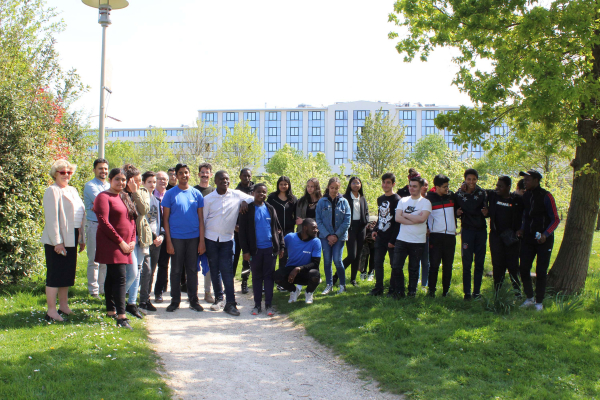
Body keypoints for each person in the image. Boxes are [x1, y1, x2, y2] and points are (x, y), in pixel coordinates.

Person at [41, 159, 86, 322]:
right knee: (55, 274)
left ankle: (64, 306)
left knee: (67, 274)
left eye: (69, 172)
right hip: (58, 239)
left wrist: (81, 238)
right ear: (55, 174)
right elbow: (52, 219)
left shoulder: (73, 190)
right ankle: (51, 311)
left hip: (72, 236)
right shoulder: (52, 191)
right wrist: (57, 242)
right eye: (62, 172)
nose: (66, 175)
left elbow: (79, 215)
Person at [203, 170, 253, 316]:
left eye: (227, 179)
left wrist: (244, 201)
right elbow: (204, 220)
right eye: (221, 179)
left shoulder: (236, 194)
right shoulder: (208, 199)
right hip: (211, 239)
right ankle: (219, 298)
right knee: (214, 269)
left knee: (227, 271)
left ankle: (230, 303)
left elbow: (253, 198)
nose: (224, 181)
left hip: (227, 240)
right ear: (215, 182)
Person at [94, 167, 137, 330]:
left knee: (112, 278)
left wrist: (132, 240)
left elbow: (132, 220)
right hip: (111, 244)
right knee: (120, 278)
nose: (121, 182)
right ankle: (122, 316)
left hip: (126, 244)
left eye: (123, 179)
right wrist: (121, 242)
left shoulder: (125, 196)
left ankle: (111, 310)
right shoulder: (103, 197)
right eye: (117, 179)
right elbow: (104, 223)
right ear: (110, 180)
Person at [162, 163, 206, 312]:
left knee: (192, 270)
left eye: (186, 172)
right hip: (176, 238)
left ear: (189, 174)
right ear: (176, 175)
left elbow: (201, 219)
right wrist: (168, 241)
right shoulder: (170, 194)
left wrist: (201, 241)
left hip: (193, 238)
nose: (183, 175)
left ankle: (193, 300)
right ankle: (175, 301)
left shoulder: (197, 194)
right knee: (175, 270)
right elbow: (165, 219)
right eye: (180, 173)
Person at [238, 183, 284, 316]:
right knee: (257, 277)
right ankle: (257, 305)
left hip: (269, 250)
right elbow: (242, 233)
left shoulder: (270, 208)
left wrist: (281, 246)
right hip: (254, 251)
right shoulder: (247, 210)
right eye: (259, 192)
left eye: (264, 192)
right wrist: (245, 251)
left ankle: (268, 305)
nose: (261, 195)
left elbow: (278, 230)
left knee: (269, 277)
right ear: (253, 193)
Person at [517, 169, 560, 311]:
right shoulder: (526, 195)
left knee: (541, 271)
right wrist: (522, 228)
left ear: (536, 180)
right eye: (524, 180)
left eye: (528, 179)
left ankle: (539, 302)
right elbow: (524, 215)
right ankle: (529, 298)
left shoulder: (547, 196)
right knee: (523, 268)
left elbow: (555, 219)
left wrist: (545, 234)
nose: (525, 181)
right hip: (528, 239)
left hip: (544, 240)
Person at [390, 176, 432, 297]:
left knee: (413, 269)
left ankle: (412, 292)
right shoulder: (403, 201)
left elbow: (422, 218)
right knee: (396, 267)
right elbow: (398, 218)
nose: (412, 188)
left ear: (420, 187)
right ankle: (399, 291)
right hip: (402, 239)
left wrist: (405, 215)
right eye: (410, 186)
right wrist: (415, 219)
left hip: (418, 240)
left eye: (415, 186)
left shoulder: (426, 202)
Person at [122, 164, 151, 319]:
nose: (139, 183)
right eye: (137, 181)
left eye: (140, 181)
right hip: (126, 238)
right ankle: (116, 298)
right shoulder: (120, 193)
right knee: (131, 272)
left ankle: (132, 303)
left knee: (137, 270)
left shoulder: (142, 192)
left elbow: (144, 209)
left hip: (140, 236)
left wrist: (135, 193)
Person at [487, 176, 524, 295]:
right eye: (497, 185)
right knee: (497, 265)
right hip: (496, 236)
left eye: (500, 186)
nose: (497, 188)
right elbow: (478, 190)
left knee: (513, 265)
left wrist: (520, 229)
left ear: (508, 187)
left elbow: (525, 216)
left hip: (512, 238)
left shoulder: (517, 200)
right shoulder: (493, 196)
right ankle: (498, 293)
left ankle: (517, 292)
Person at [456, 168, 488, 300]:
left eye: (474, 179)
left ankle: (477, 292)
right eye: (469, 179)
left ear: (477, 179)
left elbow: (482, 209)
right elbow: (458, 209)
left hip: (480, 230)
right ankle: (467, 293)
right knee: (467, 262)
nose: (471, 182)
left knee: (479, 262)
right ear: (465, 179)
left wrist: (487, 212)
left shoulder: (482, 193)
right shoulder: (459, 194)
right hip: (467, 230)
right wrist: (457, 213)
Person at [315, 177, 351, 295]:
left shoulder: (344, 202)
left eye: (336, 188)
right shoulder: (322, 201)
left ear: (339, 188)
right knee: (326, 261)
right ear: (328, 187)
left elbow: (347, 220)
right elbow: (318, 220)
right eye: (332, 187)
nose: (334, 190)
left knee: (337, 260)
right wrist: (328, 235)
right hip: (325, 237)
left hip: (339, 237)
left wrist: (335, 235)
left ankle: (342, 285)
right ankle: (329, 285)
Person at [273, 219, 322, 305]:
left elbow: (315, 263)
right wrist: (280, 250)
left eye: (316, 228)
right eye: (313, 228)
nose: (316, 230)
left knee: (315, 275)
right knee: (277, 276)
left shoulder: (316, 241)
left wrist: (299, 268)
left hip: (307, 271)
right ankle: (294, 291)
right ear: (305, 228)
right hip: (291, 271)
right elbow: (280, 244)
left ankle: (309, 293)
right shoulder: (290, 237)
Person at [368, 173, 401, 296]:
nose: (385, 185)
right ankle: (378, 288)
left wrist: (393, 240)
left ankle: (392, 289)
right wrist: (375, 229)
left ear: (393, 184)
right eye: (383, 182)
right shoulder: (380, 199)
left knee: (394, 265)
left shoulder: (397, 199)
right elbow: (380, 217)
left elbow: (397, 222)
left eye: (388, 182)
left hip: (392, 238)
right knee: (378, 263)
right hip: (380, 237)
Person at [333, 177, 369, 287]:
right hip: (350, 228)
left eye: (358, 183)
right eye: (353, 183)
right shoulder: (345, 198)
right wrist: (346, 229)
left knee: (358, 255)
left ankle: (353, 279)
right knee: (352, 255)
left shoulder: (362, 198)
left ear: (360, 185)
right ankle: (336, 276)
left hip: (361, 228)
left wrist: (366, 222)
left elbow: (366, 212)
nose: (356, 185)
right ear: (350, 185)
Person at [425, 174, 458, 297]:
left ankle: (446, 291)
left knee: (448, 266)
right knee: (434, 264)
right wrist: (427, 228)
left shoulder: (452, 197)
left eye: (448, 186)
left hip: (450, 236)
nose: (447, 189)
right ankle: (431, 291)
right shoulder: (429, 199)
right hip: (436, 236)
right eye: (444, 187)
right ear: (437, 187)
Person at [83, 158, 110, 299]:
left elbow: (107, 203)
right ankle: (93, 291)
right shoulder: (90, 185)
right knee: (93, 259)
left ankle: (102, 288)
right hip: (94, 224)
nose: (103, 171)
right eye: (100, 168)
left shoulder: (109, 185)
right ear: (94, 170)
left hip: (107, 226)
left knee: (105, 259)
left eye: (105, 168)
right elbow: (101, 202)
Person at [139, 171, 163, 312]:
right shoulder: (140, 199)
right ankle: (141, 300)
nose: (152, 185)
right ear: (143, 183)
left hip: (156, 241)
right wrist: (153, 236)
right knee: (146, 270)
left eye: (154, 182)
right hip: (146, 240)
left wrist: (161, 236)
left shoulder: (156, 200)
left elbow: (159, 221)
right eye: (149, 182)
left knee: (152, 270)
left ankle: (147, 298)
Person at [267, 176, 297, 288]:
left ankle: (281, 281)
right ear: (278, 185)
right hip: (274, 231)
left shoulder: (293, 199)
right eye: (281, 184)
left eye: (285, 184)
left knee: (284, 256)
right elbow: (267, 212)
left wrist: (294, 222)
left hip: (288, 232)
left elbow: (296, 214)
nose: (283, 186)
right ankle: (268, 282)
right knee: (273, 255)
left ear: (288, 185)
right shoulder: (272, 197)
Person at [193, 163, 216, 303]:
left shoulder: (214, 191)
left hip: (209, 233)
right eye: (202, 172)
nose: (205, 175)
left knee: (209, 264)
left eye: (207, 172)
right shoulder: (193, 190)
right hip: (194, 232)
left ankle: (208, 292)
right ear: (198, 174)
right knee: (192, 264)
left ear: (211, 175)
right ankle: (193, 292)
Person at [233, 168, 255, 294]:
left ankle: (244, 282)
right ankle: (229, 282)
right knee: (234, 257)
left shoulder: (255, 190)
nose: (246, 178)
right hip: (236, 230)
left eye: (248, 175)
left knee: (247, 259)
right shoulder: (235, 191)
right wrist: (235, 225)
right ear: (240, 176)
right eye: (244, 175)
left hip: (249, 230)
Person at [153, 171, 170, 303]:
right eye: (159, 179)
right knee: (149, 266)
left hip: (167, 234)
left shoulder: (170, 195)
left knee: (163, 265)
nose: (162, 181)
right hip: (152, 235)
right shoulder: (149, 195)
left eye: (164, 179)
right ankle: (144, 292)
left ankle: (159, 292)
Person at [419, 178, 430, 289]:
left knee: (426, 260)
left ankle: (424, 284)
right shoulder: (413, 199)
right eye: (423, 185)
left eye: (427, 185)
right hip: (415, 232)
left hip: (427, 233)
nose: (425, 187)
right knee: (415, 258)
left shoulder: (430, 198)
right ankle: (417, 279)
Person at [359, 216, 378, 281]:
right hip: (365, 235)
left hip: (374, 237)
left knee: (373, 255)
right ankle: (363, 272)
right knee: (365, 255)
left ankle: (371, 273)